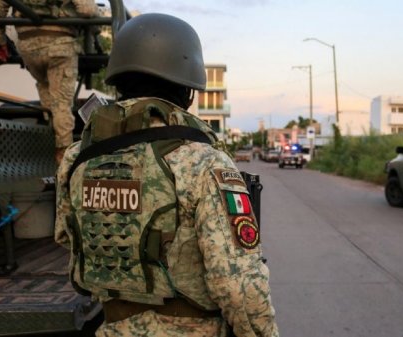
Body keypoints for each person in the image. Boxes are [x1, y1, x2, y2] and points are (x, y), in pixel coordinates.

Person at [54, 13, 279, 337]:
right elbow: (239, 287)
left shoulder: (77, 158)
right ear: (189, 90)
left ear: (118, 81)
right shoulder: (203, 161)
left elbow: (67, 238)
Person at [0, 0, 99, 164]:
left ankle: (48, 141)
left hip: (28, 48)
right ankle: (64, 156)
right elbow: (87, 9)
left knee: (48, 94)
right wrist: (96, 22)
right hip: (60, 45)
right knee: (61, 103)